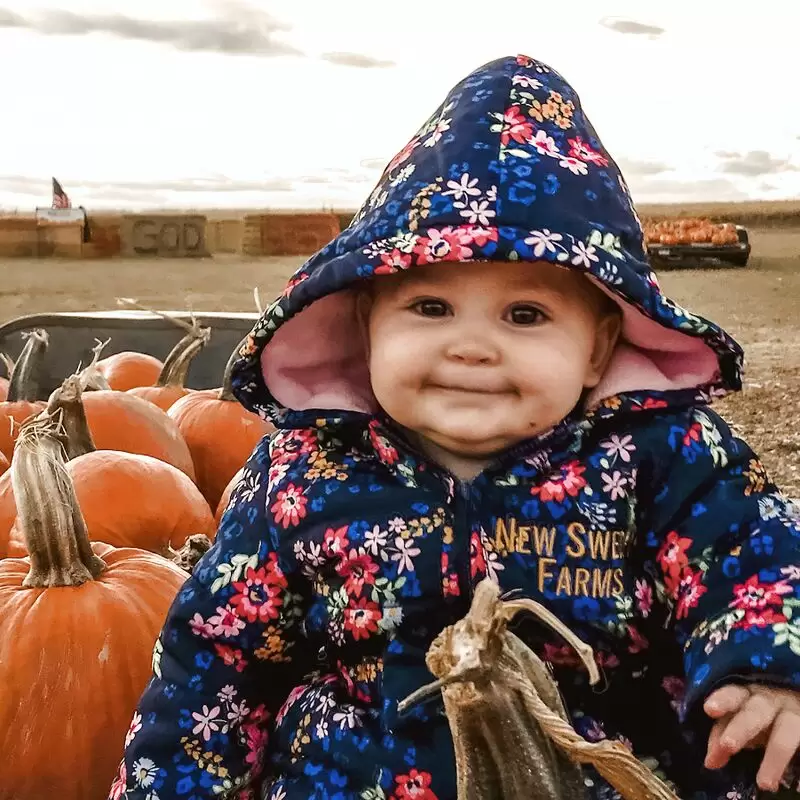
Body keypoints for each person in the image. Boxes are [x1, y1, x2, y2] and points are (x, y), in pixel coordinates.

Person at [109, 54, 800, 800]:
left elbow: (757, 562)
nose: (471, 346)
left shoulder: (666, 458)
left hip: (595, 768)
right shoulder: (301, 474)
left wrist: (770, 668)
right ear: (366, 324)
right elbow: (215, 663)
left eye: (525, 315)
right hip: (352, 776)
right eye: (431, 308)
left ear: (598, 347)